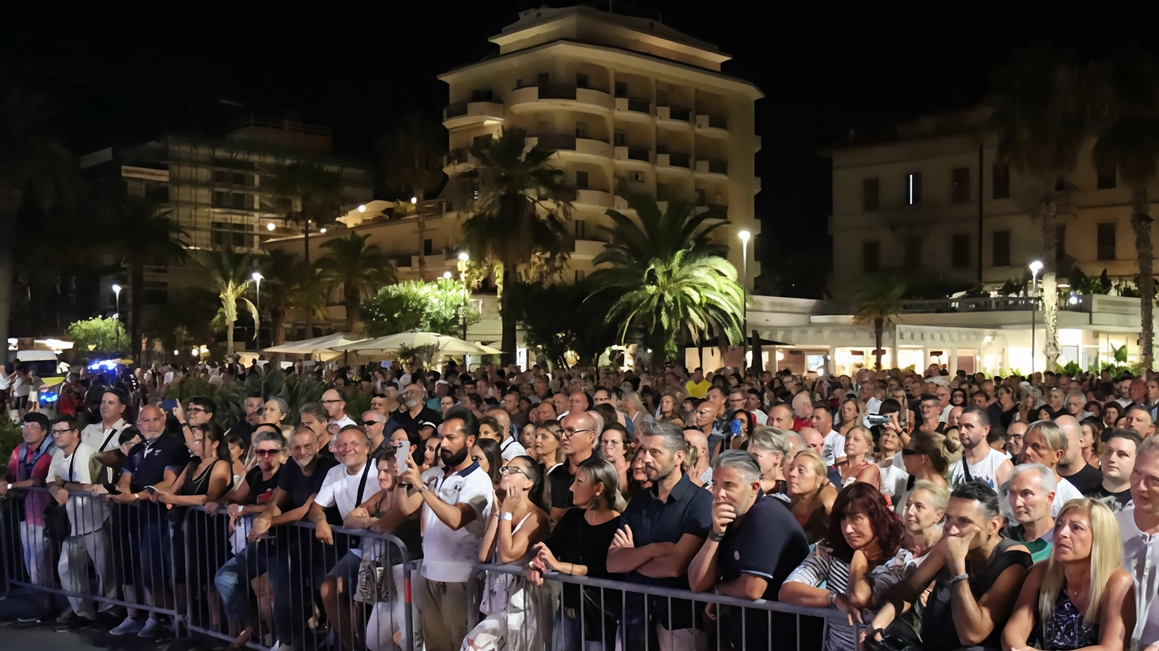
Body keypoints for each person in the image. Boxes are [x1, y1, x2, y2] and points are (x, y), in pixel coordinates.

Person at [867, 483, 1032, 651]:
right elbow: (907, 590)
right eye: (948, 518)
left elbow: (971, 635)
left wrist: (957, 566)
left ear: (993, 526)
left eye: (964, 521)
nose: (951, 530)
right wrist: (879, 622)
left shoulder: (1012, 559)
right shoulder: (949, 543)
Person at [607, 420, 713, 651]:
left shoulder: (700, 502)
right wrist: (654, 550)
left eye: (654, 452)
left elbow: (675, 566)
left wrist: (632, 558)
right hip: (635, 617)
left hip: (679, 622)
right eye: (643, 450)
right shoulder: (639, 502)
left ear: (679, 457)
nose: (645, 458)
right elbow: (613, 562)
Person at [689, 451, 810, 651]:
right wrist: (715, 534)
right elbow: (697, 583)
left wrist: (720, 591)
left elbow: (752, 589)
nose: (719, 494)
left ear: (754, 487)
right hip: (745, 635)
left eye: (729, 485)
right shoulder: (730, 517)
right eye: (715, 484)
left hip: (782, 638)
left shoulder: (766, 515)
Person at [399, 406, 493, 651]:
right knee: (436, 646)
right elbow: (407, 509)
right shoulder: (438, 475)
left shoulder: (478, 480)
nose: (444, 444)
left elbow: (455, 520)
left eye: (452, 438)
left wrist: (421, 486)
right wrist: (402, 480)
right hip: (430, 573)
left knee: (459, 644)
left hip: (460, 578)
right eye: (442, 437)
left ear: (470, 440)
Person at [780, 482, 911, 651]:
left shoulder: (899, 560)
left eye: (856, 518)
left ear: (876, 518)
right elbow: (787, 591)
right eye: (843, 519)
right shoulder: (828, 550)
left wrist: (859, 555)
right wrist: (834, 598)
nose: (848, 529)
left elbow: (859, 597)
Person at [247, 426, 338, 651]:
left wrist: (267, 522)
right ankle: (291, 641)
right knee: (288, 590)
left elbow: (306, 510)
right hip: (301, 540)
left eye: (307, 446)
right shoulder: (290, 467)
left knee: (325, 591)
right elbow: (278, 500)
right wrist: (264, 517)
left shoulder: (329, 468)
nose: (302, 451)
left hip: (330, 540)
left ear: (317, 446)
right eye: (296, 447)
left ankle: (336, 641)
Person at [1002, 499, 1135, 651]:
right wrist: (1019, 648)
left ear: (1100, 536)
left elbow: (1112, 648)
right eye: (1059, 525)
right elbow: (1015, 627)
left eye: (1076, 528)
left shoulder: (1117, 582)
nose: (1061, 533)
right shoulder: (1042, 572)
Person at [105, 405, 189, 637]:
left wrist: (135, 496)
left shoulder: (174, 446)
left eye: (155, 419)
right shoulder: (137, 449)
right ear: (138, 424)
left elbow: (169, 482)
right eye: (146, 420)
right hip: (144, 518)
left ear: (163, 420)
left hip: (169, 519)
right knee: (151, 574)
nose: (151, 424)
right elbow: (125, 478)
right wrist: (123, 490)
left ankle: (182, 621)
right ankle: (167, 617)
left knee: (176, 573)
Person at [527, 457, 623, 651]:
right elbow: (548, 546)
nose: (571, 488)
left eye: (579, 482)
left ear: (599, 488)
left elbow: (604, 567)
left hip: (600, 618)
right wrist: (537, 561)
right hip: (568, 612)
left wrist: (560, 565)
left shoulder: (620, 525)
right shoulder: (572, 518)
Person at [152, 421, 233, 632]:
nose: (193, 443)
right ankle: (190, 625)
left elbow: (210, 497)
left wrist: (175, 500)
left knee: (210, 580)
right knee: (187, 577)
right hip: (185, 529)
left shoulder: (221, 465)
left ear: (214, 443)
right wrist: (161, 494)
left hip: (209, 530)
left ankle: (217, 627)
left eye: (198, 439)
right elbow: (173, 490)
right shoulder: (191, 464)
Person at [463, 455, 550, 651]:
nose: (506, 473)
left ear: (528, 482)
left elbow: (507, 555)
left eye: (514, 470)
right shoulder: (503, 511)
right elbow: (483, 555)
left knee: (474, 645)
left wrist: (506, 513)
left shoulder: (536, 517)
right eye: (505, 469)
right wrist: (498, 513)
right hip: (498, 601)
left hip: (522, 606)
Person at [212, 429, 286, 647]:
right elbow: (235, 496)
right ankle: (253, 626)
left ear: (281, 453)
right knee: (225, 577)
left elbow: (272, 506)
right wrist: (221, 503)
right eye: (261, 452)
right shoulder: (254, 473)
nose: (266, 457)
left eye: (271, 452)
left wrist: (242, 508)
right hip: (258, 544)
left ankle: (282, 639)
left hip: (283, 544)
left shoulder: (286, 473)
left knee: (270, 594)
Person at [308, 426, 378, 651]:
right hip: (359, 548)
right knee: (329, 589)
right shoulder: (334, 473)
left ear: (368, 447)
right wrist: (320, 520)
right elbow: (316, 507)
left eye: (354, 444)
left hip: (384, 547)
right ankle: (354, 646)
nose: (347, 449)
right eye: (342, 445)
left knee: (370, 603)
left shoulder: (380, 470)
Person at [47, 416, 116, 630]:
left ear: (75, 432)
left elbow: (87, 486)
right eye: (55, 431)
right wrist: (55, 489)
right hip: (75, 523)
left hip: (95, 519)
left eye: (62, 431)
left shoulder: (85, 452)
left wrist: (64, 485)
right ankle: (83, 611)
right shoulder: (58, 453)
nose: (57, 435)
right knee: (67, 568)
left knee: (105, 569)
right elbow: (50, 479)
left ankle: (110, 611)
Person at [0, 412, 56, 602]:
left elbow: (36, 480)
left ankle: (49, 605)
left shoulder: (50, 451)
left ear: (44, 431)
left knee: (41, 564)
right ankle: (45, 605)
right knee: (32, 564)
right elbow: (9, 473)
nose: (27, 430)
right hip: (26, 514)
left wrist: (8, 486)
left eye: (33, 426)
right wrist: (4, 482)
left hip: (45, 516)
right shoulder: (20, 450)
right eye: (26, 426)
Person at [1020, 420, 1084, 515]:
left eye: (1036, 446)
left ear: (1057, 455)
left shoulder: (1070, 499)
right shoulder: (1012, 486)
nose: (1027, 451)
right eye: (1025, 444)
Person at [548, 411, 600, 522]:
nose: (563, 437)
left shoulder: (601, 473)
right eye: (562, 431)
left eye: (570, 431)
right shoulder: (555, 474)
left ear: (591, 436)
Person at [1002, 463, 1057, 563]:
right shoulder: (1004, 538)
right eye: (1013, 493)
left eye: (1027, 493)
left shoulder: (1064, 541)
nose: (1017, 502)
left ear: (1049, 498)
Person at [950, 406, 1014, 490]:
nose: (962, 431)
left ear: (986, 430)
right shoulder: (953, 464)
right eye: (960, 426)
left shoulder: (1001, 463)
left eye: (968, 426)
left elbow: (1009, 501)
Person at [786, 450, 838, 544]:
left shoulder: (826, 494)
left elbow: (832, 504)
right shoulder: (795, 503)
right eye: (791, 469)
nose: (792, 474)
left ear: (819, 478)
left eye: (801, 470)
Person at [1055, 415, 1103, 496]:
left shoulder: (1097, 482)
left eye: (1064, 441)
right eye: (1054, 440)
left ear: (1081, 441)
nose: (1058, 446)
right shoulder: (1043, 476)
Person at [900, 480, 946, 565]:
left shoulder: (944, 546)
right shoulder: (893, 538)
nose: (910, 511)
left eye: (919, 507)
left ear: (938, 516)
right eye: (908, 505)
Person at [1095, 428, 1140, 510]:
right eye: (1109, 451)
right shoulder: (1082, 494)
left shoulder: (1142, 505)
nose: (1112, 458)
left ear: (1138, 461)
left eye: (1122, 454)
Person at [746, 426, 792, 496]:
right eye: (747, 455)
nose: (749, 460)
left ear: (777, 457)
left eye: (756, 455)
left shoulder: (790, 490)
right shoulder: (744, 480)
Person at [599, 424, 632, 494]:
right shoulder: (596, 472)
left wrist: (622, 474)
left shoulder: (633, 471)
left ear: (625, 448)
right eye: (604, 442)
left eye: (614, 442)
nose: (608, 446)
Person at [813, 403, 846, 468]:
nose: (813, 421)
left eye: (818, 418)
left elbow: (841, 467)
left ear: (829, 421)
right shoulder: (809, 438)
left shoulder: (838, 439)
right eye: (812, 417)